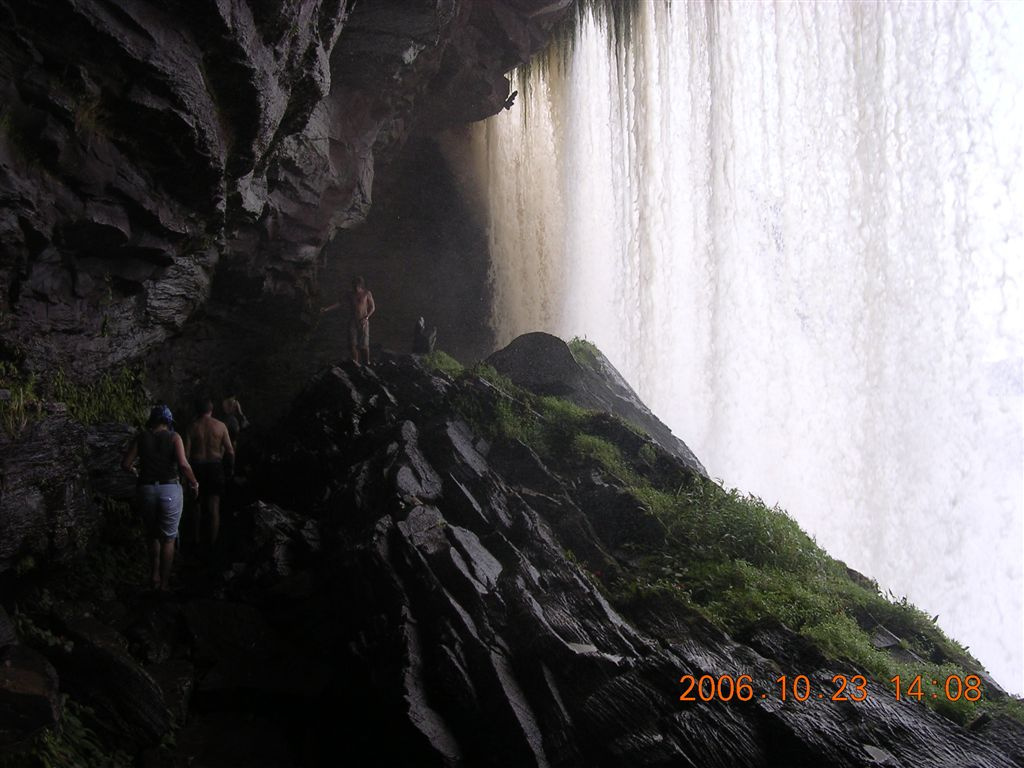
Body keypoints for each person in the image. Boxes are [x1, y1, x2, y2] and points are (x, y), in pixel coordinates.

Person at [121, 405, 199, 592]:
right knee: (168, 539)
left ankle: (153, 576)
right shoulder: (174, 437)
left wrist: (134, 471)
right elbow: (183, 465)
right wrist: (194, 484)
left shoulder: (141, 437)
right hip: (169, 490)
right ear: (168, 422)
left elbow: (125, 464)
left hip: (146, 489)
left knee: (152, 535)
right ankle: (164, 584)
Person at [185, 397, 235, 551]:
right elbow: (230, 451)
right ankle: (212, 545)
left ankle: (196, 540)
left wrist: (185, 476)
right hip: (215, 467)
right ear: (211, 410)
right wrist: (230, 469)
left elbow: (185, 456)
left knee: (196, 506)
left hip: (197, 468)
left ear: (197, 411)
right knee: (214, 507)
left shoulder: (192, 427)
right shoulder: (220, 426)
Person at [321, 276, 375, 364]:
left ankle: (367, 364)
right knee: (352, 344)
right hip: (353, 321)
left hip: (363, 321)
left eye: (356, 285)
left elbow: (372, 307)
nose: (354, 287)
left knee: (364, 345)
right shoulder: (350, 294)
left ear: (360, 285)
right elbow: (340, 303)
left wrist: (366, 317)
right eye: (353, 285)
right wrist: (326, 309)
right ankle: (355, 364)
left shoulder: (366, 293)